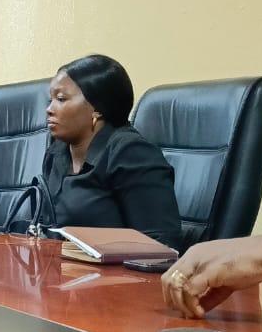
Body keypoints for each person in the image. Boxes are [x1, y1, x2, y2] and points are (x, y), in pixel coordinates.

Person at [38, 54, 182, 250]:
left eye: (61, 99)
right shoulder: (57, 153)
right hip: (60, 272)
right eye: (51, 99)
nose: (49, 109)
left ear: (97, 109)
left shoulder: (131, 154)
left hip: (116, 278)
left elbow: (160, 245)